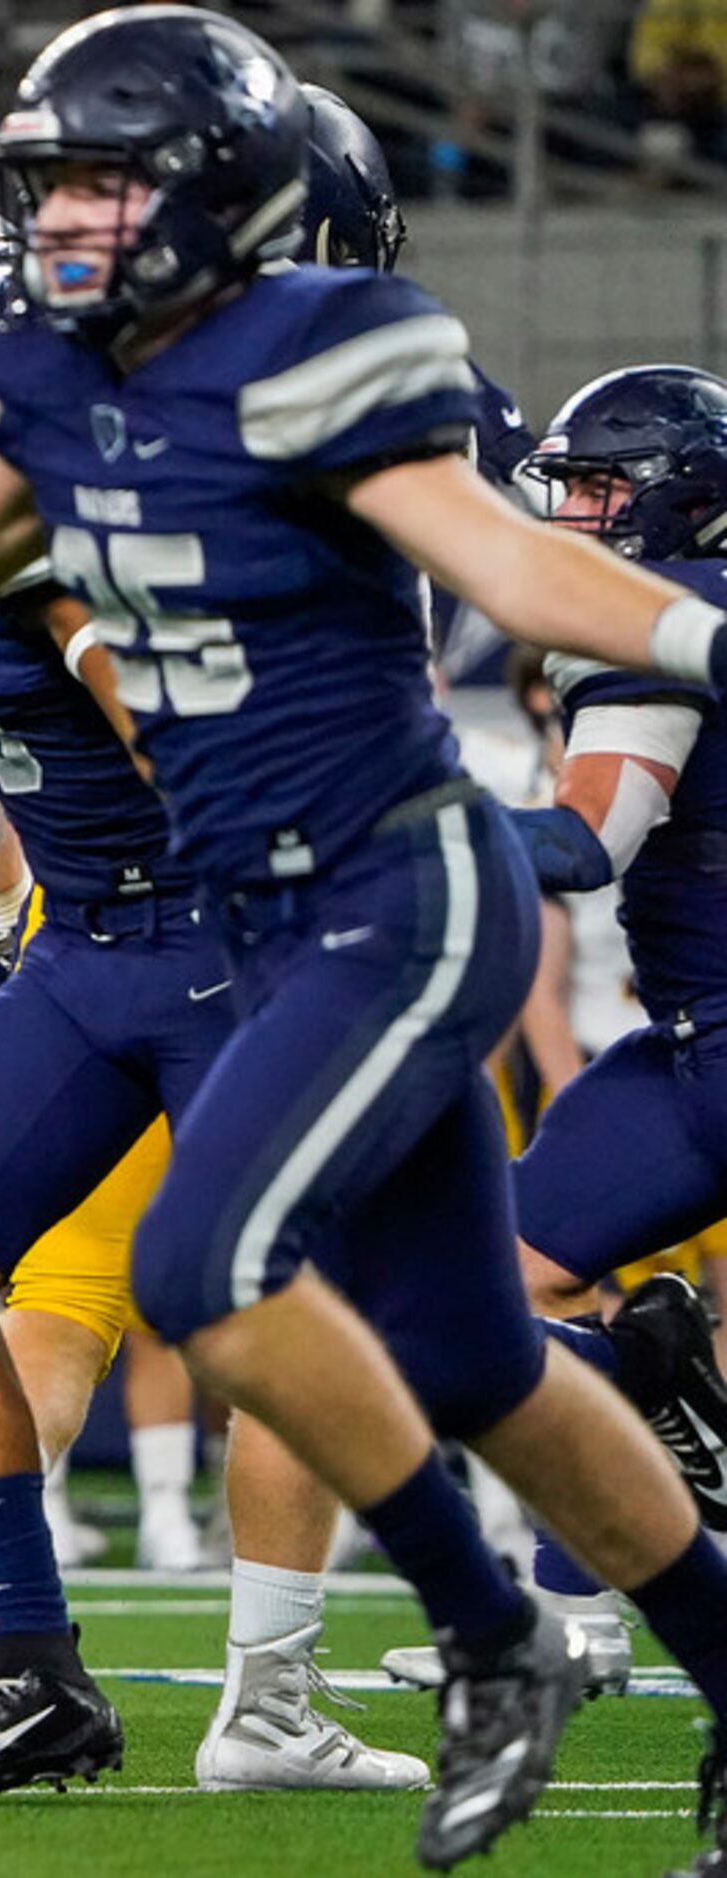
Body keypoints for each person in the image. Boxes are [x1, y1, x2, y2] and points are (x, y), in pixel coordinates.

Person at [0, 11, 727, 1864]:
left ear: (219, 183)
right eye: (53, 181)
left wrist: (705, 637)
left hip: (393, 893)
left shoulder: (337, 342)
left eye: (108, 176)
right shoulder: (50, 373)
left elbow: (502, 563)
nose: (72, 216)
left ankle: (492, 1640)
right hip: (257, 907)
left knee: (204, 1266)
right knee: (477, 1359)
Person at [0, 190, 426, 1799]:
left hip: (217, 930)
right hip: (85, 941)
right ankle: (37, 1667)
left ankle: (274, 1689)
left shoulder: (47, 516)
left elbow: (165, 727)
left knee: (266, 1307)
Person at [376, 364, 727, 1704]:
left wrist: (395, 822)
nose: (570, 515)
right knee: (493, 1283)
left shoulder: (666, 622)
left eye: (600, 489)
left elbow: (586, 842)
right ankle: (574, 1606)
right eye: (564, 486)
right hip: (689, 1046)